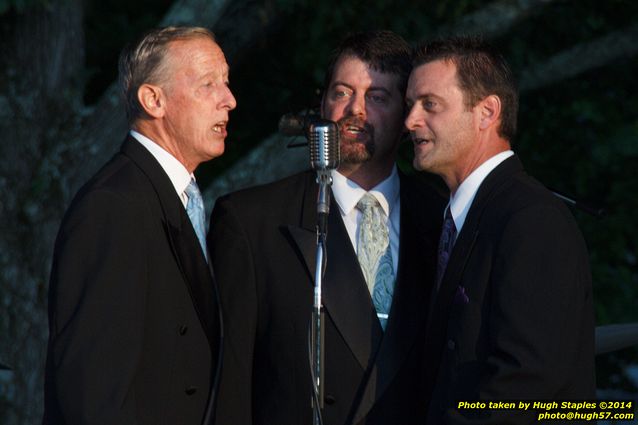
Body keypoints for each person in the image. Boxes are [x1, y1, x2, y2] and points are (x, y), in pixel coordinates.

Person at [208, 30, 444, 425]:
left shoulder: (442, 219)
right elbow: (229, 384)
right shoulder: (251, 222)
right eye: (341, 92)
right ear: (322, 103)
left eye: (378, 97)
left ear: (406, 119)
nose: (356, 109)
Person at [43, 26, 236, 425]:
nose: (229, 100)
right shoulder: (112, 206)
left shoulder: (171, 195)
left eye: (227, 83)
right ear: (153, 99)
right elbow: (91, 391)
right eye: (208, 85)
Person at [404, 36, 595, 424]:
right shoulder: (465, 214)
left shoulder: (531, 219)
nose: (410, 121)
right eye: (410, 105)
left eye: (430, 105)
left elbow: (525, 383)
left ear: (487, 112)